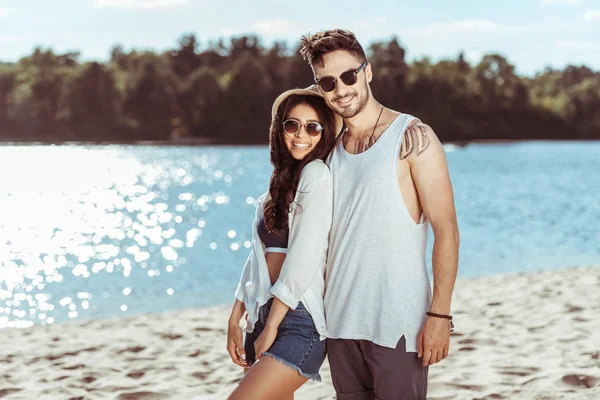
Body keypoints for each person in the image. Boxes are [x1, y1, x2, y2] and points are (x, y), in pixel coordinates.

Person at [299, 29, 460, 399]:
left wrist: (440, 316)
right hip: (339, 326)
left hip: (397, 325)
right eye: (327, 82)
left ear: (367, 72)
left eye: (349, 76)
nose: (341, 89)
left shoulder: (413, 136)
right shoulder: (327, 151)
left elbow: (446, 230)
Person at [226, 88, 343, 400]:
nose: (300, 135)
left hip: (297, 321)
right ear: (279, 129)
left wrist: (272, 328)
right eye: (292, 125)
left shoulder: (316, 174)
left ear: (324, 133)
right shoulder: (277, 183)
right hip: (262, 311)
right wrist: (235, 317)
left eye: (312, 127)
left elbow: (303, 259)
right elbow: (257, 259)